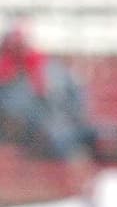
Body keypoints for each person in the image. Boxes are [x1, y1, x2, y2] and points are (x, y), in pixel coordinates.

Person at [0, 20, 104, 163]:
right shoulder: (6, 74)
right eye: (15, 44)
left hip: (59, 124)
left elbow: (73, 97)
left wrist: (72, 115)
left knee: (99, 134)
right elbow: (12, 112)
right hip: (31, 131)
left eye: (22, 43)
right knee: (58, 138)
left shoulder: (49, 67)